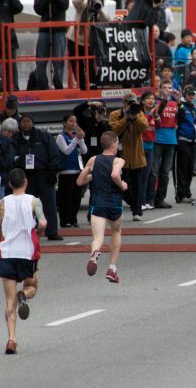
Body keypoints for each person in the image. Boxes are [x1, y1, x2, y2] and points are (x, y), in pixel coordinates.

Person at [0, 168, 45, 354]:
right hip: (28, 252)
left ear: (10, 184)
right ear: (26, 182)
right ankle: (25, 295)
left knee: (8, 300)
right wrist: (39, 229)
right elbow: (43, 222)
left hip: (6, 253)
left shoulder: (2, 203)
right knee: (32, 286)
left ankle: (11, 339)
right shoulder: (34, 201)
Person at [77, 131, 127, 283]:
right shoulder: (118, 161)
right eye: (117, 142)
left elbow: (80, 181)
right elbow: (114, 175)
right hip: (114, 203)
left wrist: (94, 175)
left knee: (97, 238)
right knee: (116, 230)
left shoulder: (93, 160)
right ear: (113, 145)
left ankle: (94, 254)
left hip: (97, 202)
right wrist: (122, 185)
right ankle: (112, 268)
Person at [13, 115, 62, 239]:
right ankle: (30, 231)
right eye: (23, 122)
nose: (25, 124)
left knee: (49, 203)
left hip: (44, 173)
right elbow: (12, 157)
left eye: (28, 121)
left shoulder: (43, 135)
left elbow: (54, 153)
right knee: (28, 204)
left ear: (32, 123)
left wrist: (53, 171)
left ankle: (52, 232)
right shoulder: (16, 139)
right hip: (27, 175)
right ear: (19, 125)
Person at [109, 93, 149, 220]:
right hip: (121, 156)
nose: (131, 105)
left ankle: (137, 212)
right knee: (120, 184)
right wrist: (126, 118)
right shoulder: (115, 114)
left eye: (133, 102)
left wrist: (135, 117)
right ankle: (132, 203)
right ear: (124, 102)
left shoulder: (138, 113)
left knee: (138, 185)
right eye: (129, 103)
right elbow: (114, 130)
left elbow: (144, 127)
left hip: (136, 155)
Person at [55, 113, 87, 228]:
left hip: (77, 171)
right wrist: (76, 139)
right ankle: (65, 220)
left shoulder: (75, 136)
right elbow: (66, 151)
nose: (73, 123)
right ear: (64, 123)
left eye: (75, 121)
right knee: (66, 197)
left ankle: (74, 219)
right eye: (70, 121)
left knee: (76, 197)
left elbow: (84, 151)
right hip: (66, 171)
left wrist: (81, 139)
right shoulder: (61, 136)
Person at [33, 0, 70, 90]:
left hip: (59, 29)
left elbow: (64, 5)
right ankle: (42, 85)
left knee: (58, 60)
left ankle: (58, 84)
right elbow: (38, 10)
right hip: (45, 28)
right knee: (40, 59)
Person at [151, 80, 179, 209]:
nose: (168, 89)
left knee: (166, 172)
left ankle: (160, 199)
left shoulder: (175, 103)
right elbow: (153, 116)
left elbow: (181, 119)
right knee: (154, 171)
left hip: (171, 140)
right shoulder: (155, 102)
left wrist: (180, 103)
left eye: (170, 87)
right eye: (165, 87)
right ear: (160, 89)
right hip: (158, 140)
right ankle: (150, 198)